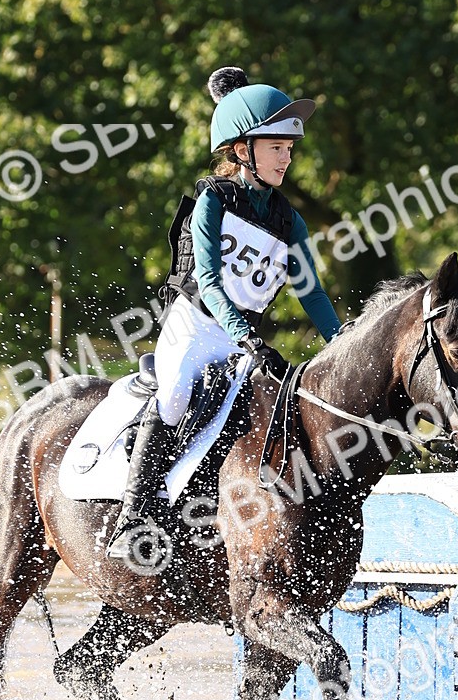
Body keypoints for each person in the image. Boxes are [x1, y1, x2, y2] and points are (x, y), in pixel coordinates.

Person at [106, 66, 341, 561]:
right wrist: (246, 336)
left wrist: (340, 345)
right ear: (242, 151)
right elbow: (210, 282)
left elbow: (313, 295)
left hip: (241, 341)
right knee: (174, 400)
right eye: (276, 147)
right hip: (194, 327)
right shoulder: (213, 199)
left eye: (290, 149)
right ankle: (131, 520)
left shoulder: (288, 219)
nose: (287, 158)